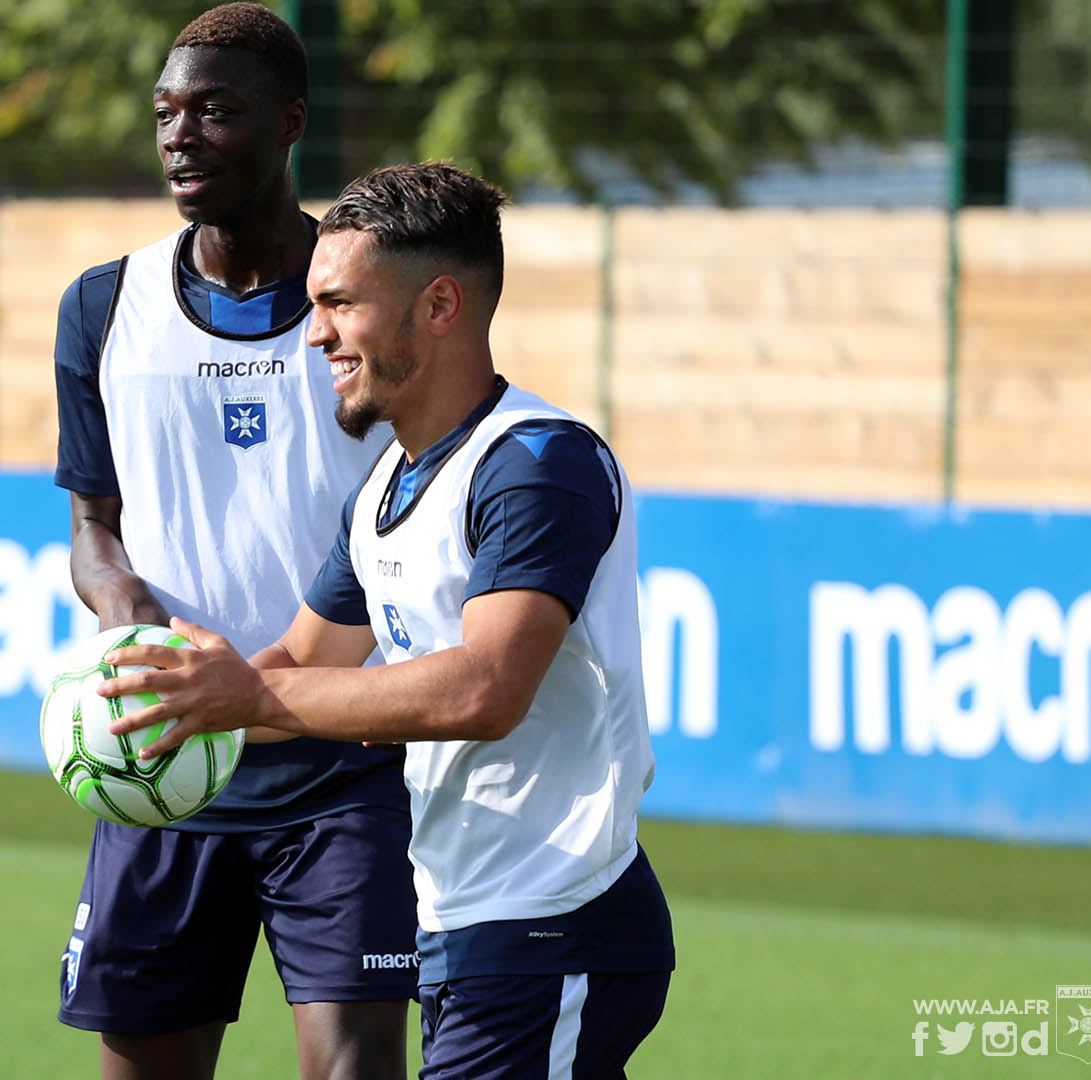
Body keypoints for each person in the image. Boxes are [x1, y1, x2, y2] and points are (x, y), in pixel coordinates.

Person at [98, 162, 676, 1079]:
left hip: (554, 923)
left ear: (439, 305)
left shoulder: (536, 465)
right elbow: (297, 657)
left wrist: (252, 694)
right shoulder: (386, 489)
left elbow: (486, 690)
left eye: (339, 304)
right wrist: (173, 706)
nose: (315, 333)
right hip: (466, 925)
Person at [48, 5, 417, 1079]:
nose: (181, 135)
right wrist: (130, 621)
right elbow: (90, 528)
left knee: (353, 1067)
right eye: (167, 112)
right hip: (165, 759)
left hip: (345, 764)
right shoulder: (103, 308)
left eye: (217, 111)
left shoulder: (365, 304)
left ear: (289, 122)